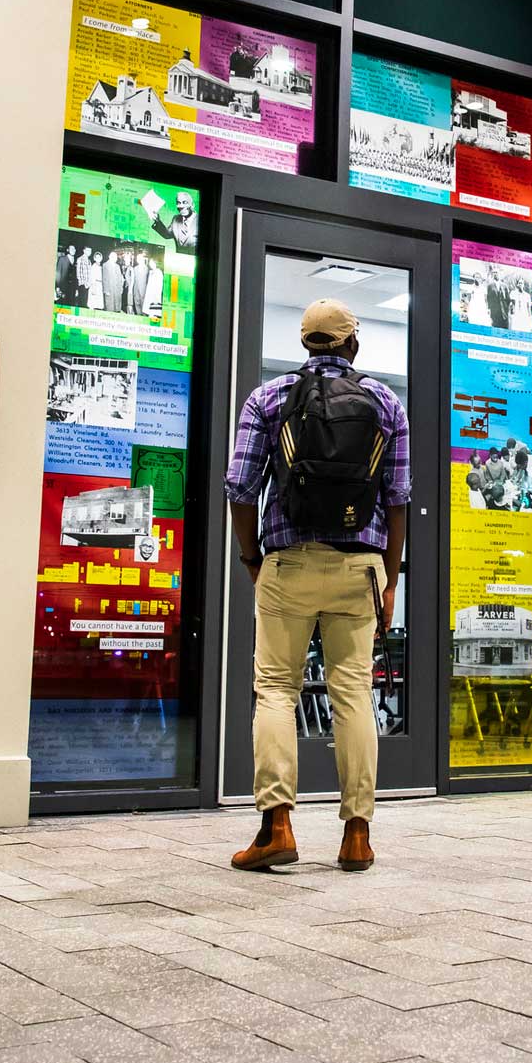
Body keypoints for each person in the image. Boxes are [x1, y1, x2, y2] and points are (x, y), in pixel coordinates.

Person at [225, 298, 410, 875]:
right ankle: (357, 834)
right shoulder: (384, 402)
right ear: (352, 344)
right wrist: (389, 581)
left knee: (276, 690)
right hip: (360, 566)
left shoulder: (268, 398)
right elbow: (398, 500)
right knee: (352, 692)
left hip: (289, 562)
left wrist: (252, 556)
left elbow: (239, 487)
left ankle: (277, 825)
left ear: (305, 344)